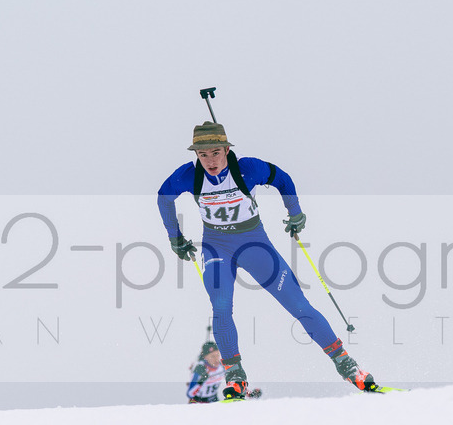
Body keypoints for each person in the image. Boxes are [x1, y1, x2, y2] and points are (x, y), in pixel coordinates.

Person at [158, 121, 378, 400]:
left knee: (298, 305)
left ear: (226, 149)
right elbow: (163, 197)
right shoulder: (189, 175)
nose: (210, 161)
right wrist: (175, 237)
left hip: (255, 245)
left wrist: (295, 212)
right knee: (221, 308)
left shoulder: (248, 168)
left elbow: (282, 179)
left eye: (215, 152)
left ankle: (346, 364)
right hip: (217, 249)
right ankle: (235, 377)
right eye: (203, 155)